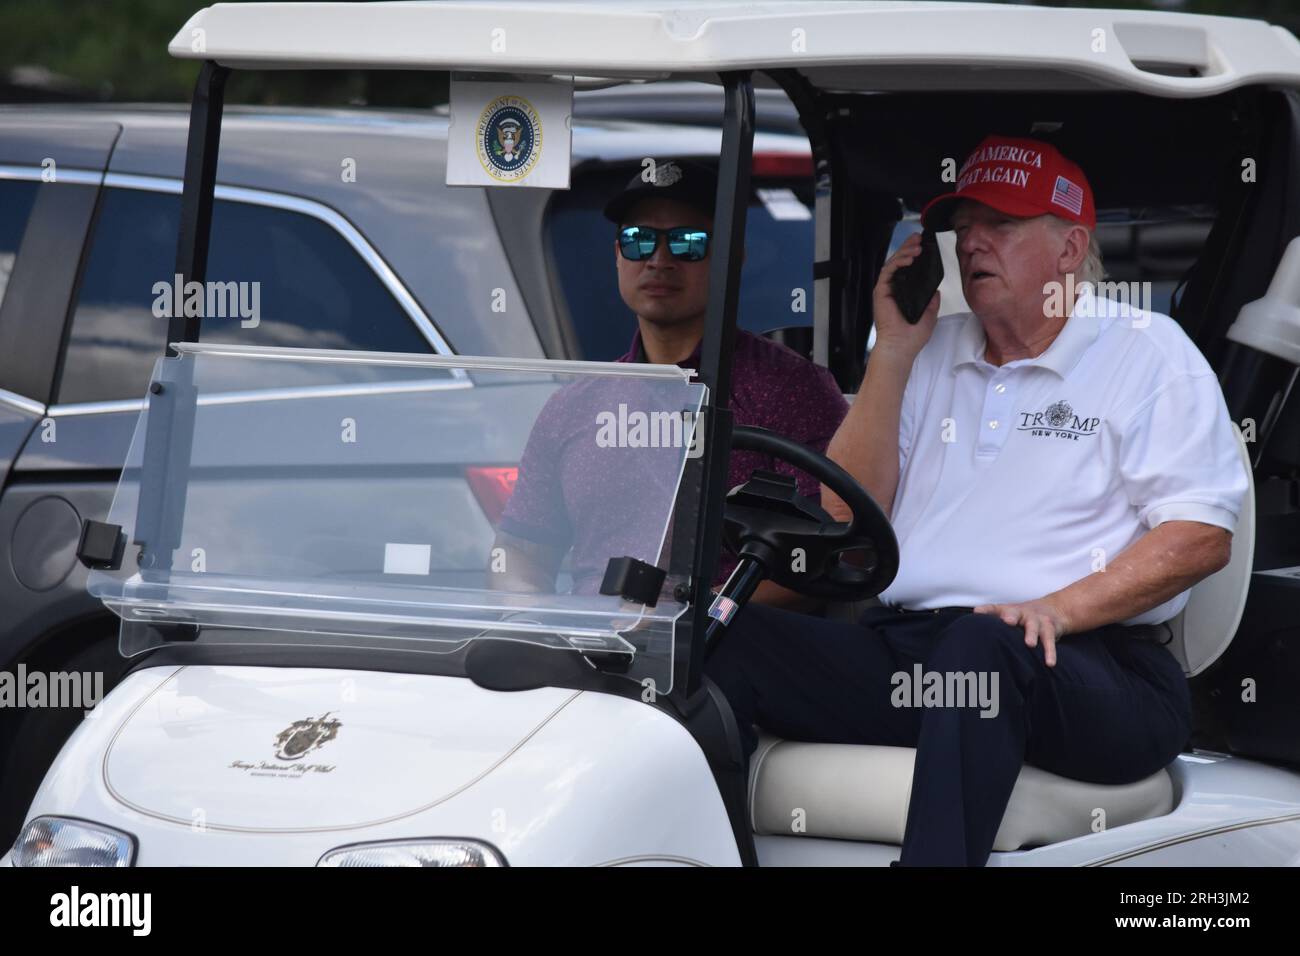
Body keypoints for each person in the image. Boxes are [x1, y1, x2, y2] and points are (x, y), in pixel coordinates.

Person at [703, 134, 1250, 866]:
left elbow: (1200, 536)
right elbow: (841, 512)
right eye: (962, 230)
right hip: (913, 653)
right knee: (721, 635)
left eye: (1002, 225)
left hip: (1094, 668)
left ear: (1069, 248)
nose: (972, 245)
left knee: (984, 648)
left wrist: (1056, 608)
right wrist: (891, 352)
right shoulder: (928, 350)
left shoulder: (1148, 351)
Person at [494, 160, 848, 606]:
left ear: (732, 257)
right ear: (617, 255)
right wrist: (529, 620)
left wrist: (688, 619)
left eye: (688, 243)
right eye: (638, 241)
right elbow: (520, 552)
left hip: (728, 657)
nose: (659, 261)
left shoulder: (795, 391)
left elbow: (817, 560)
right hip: (588, 656)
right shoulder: (573, 405)